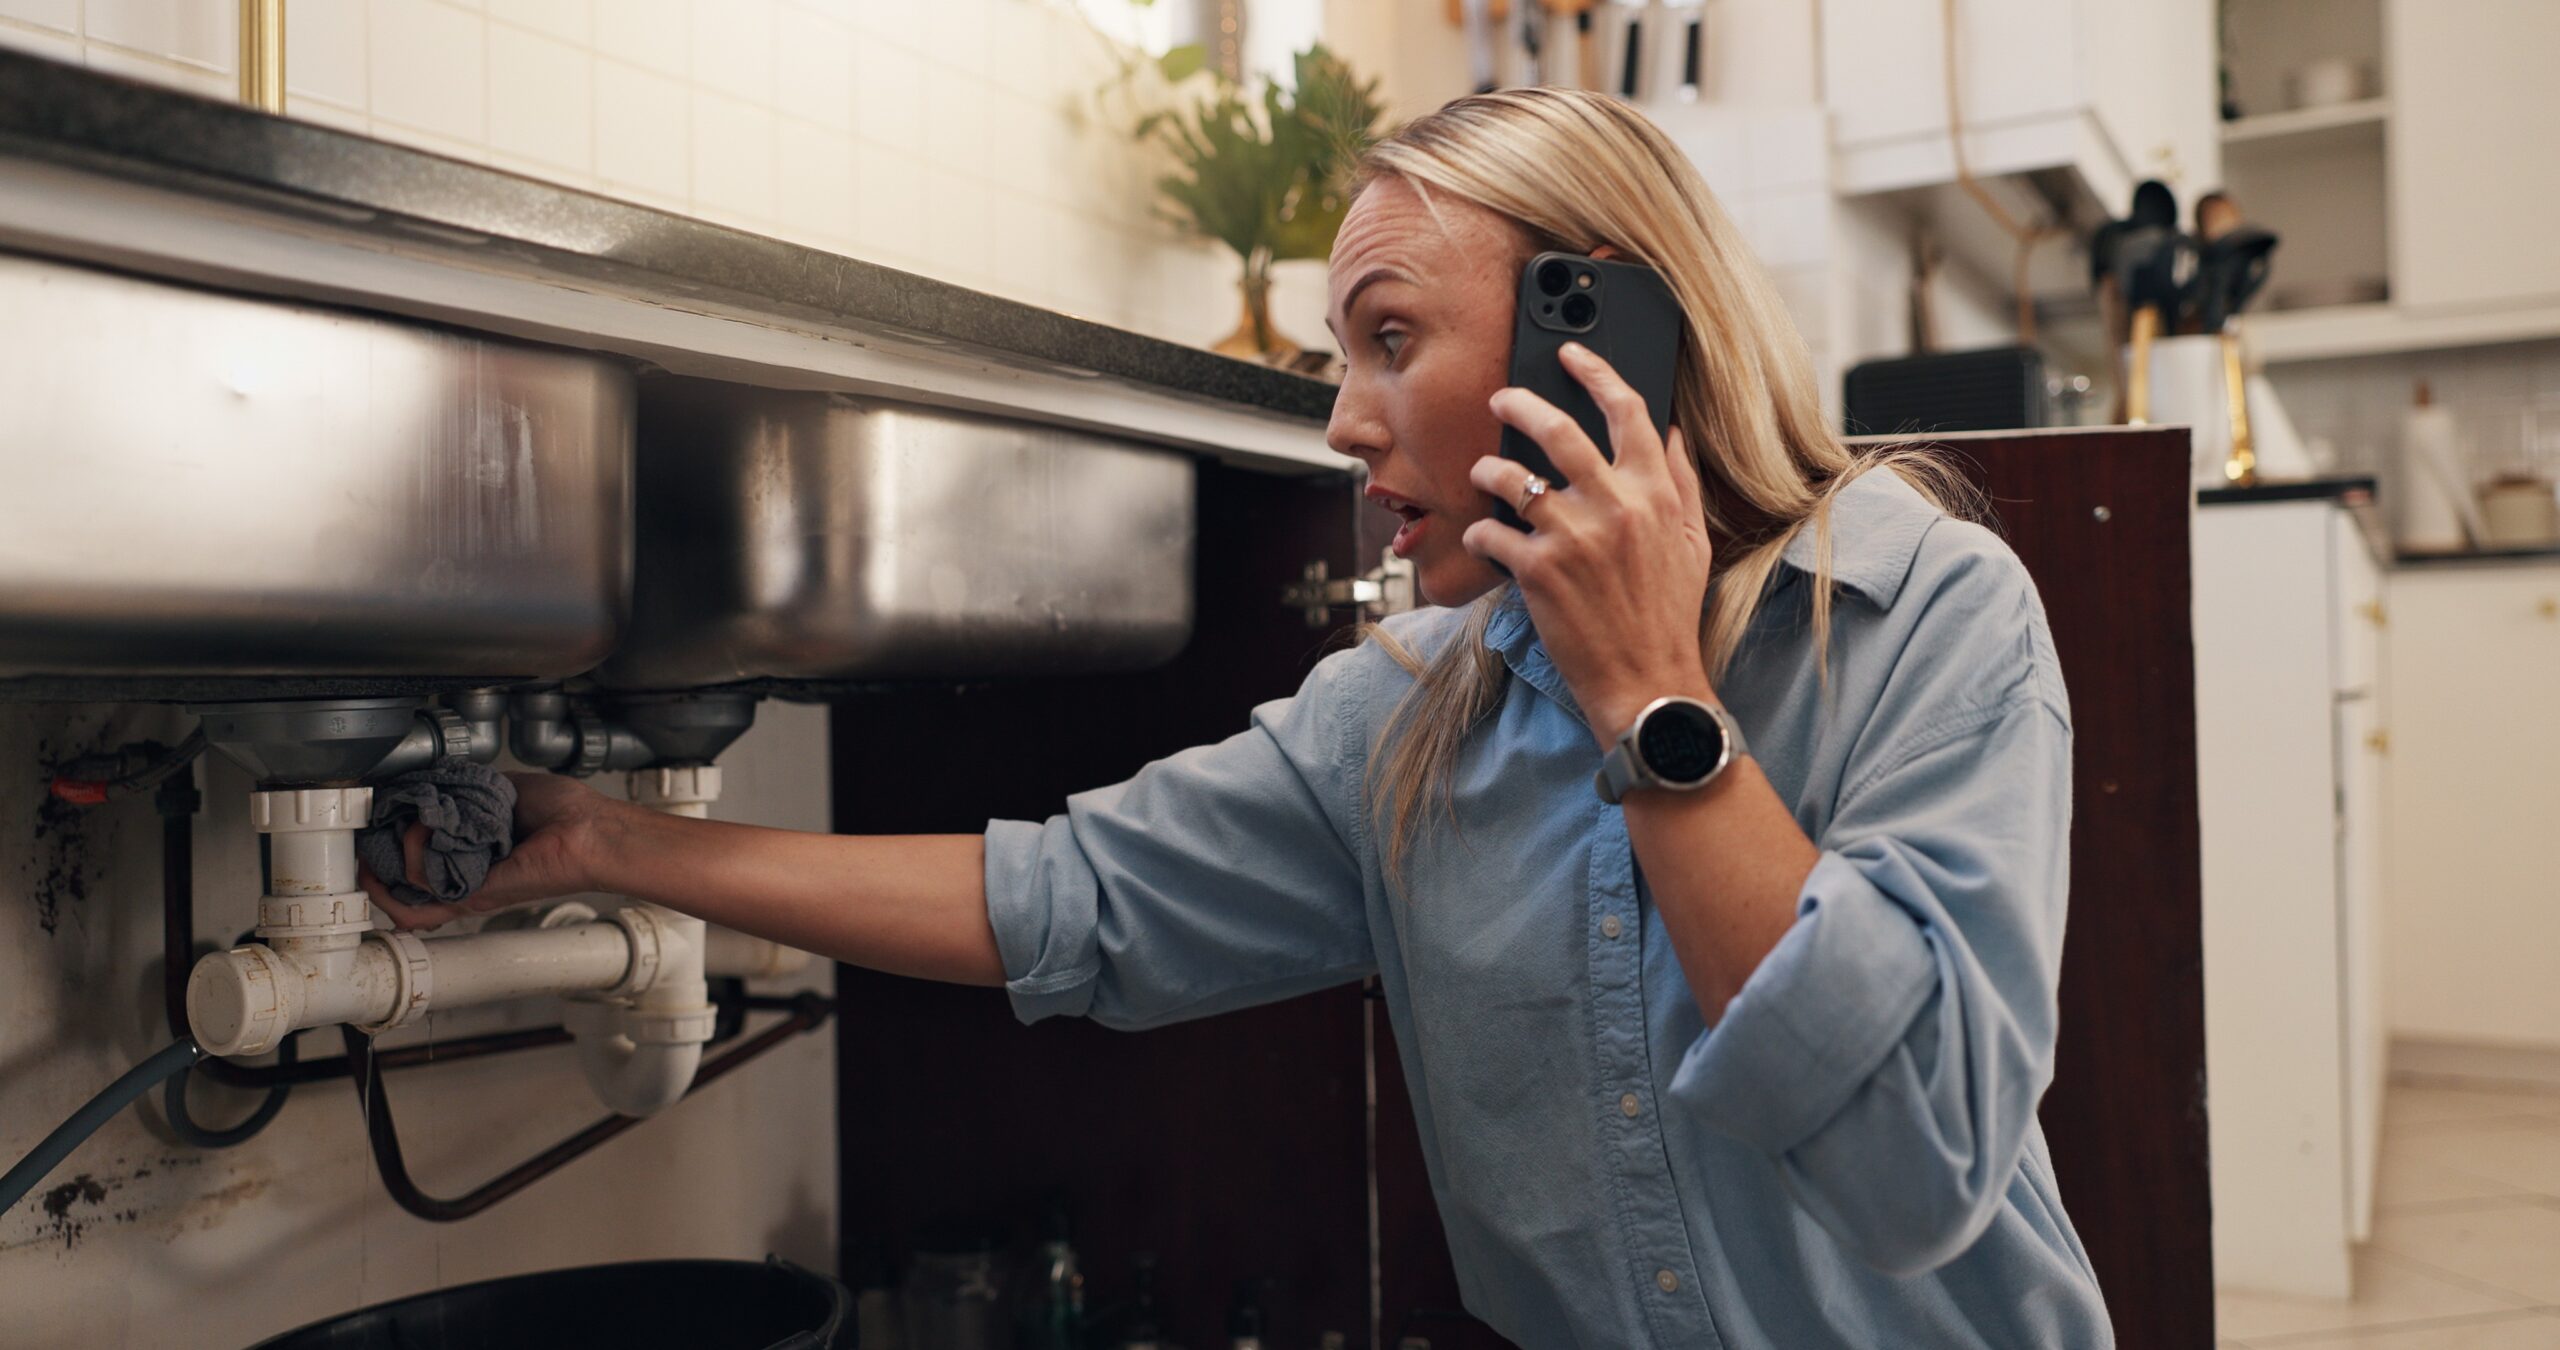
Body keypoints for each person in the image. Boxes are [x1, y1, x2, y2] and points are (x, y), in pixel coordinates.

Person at [364, 88, 2111, 1348]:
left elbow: (1913, 1171)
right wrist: (607, 844)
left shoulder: (1927, 620)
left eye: (1388, 338)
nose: (1344, 424)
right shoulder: (1406, 720)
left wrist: (1651, 698)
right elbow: (1060, 899)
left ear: (1610, 335)